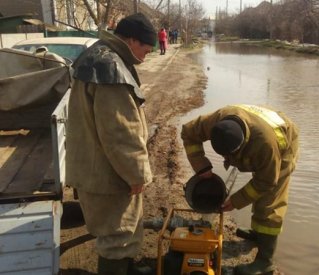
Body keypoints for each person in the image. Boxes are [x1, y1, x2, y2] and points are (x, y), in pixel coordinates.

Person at [66, 13, 156, 275]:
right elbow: (120, 134)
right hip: (109, 175)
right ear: (130, 40)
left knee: (115, 232)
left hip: (92, 167)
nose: (148, 54)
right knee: (119, 236)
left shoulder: (97, 55)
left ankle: (124, 268)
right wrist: (136, 174)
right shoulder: (112, 69)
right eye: (145, 48)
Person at [181, 104, 299, 275]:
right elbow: (188, 132)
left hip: (284, 144)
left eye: (230, 156)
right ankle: (259, 234)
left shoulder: (266, 145)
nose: (227, 160)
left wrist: (236, 201)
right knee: (257, 192)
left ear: (244, 143)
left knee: (269, 202)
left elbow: (266, 182)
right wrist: (201, 165)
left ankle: (265, 262)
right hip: (259, 126)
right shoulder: (215, 121)